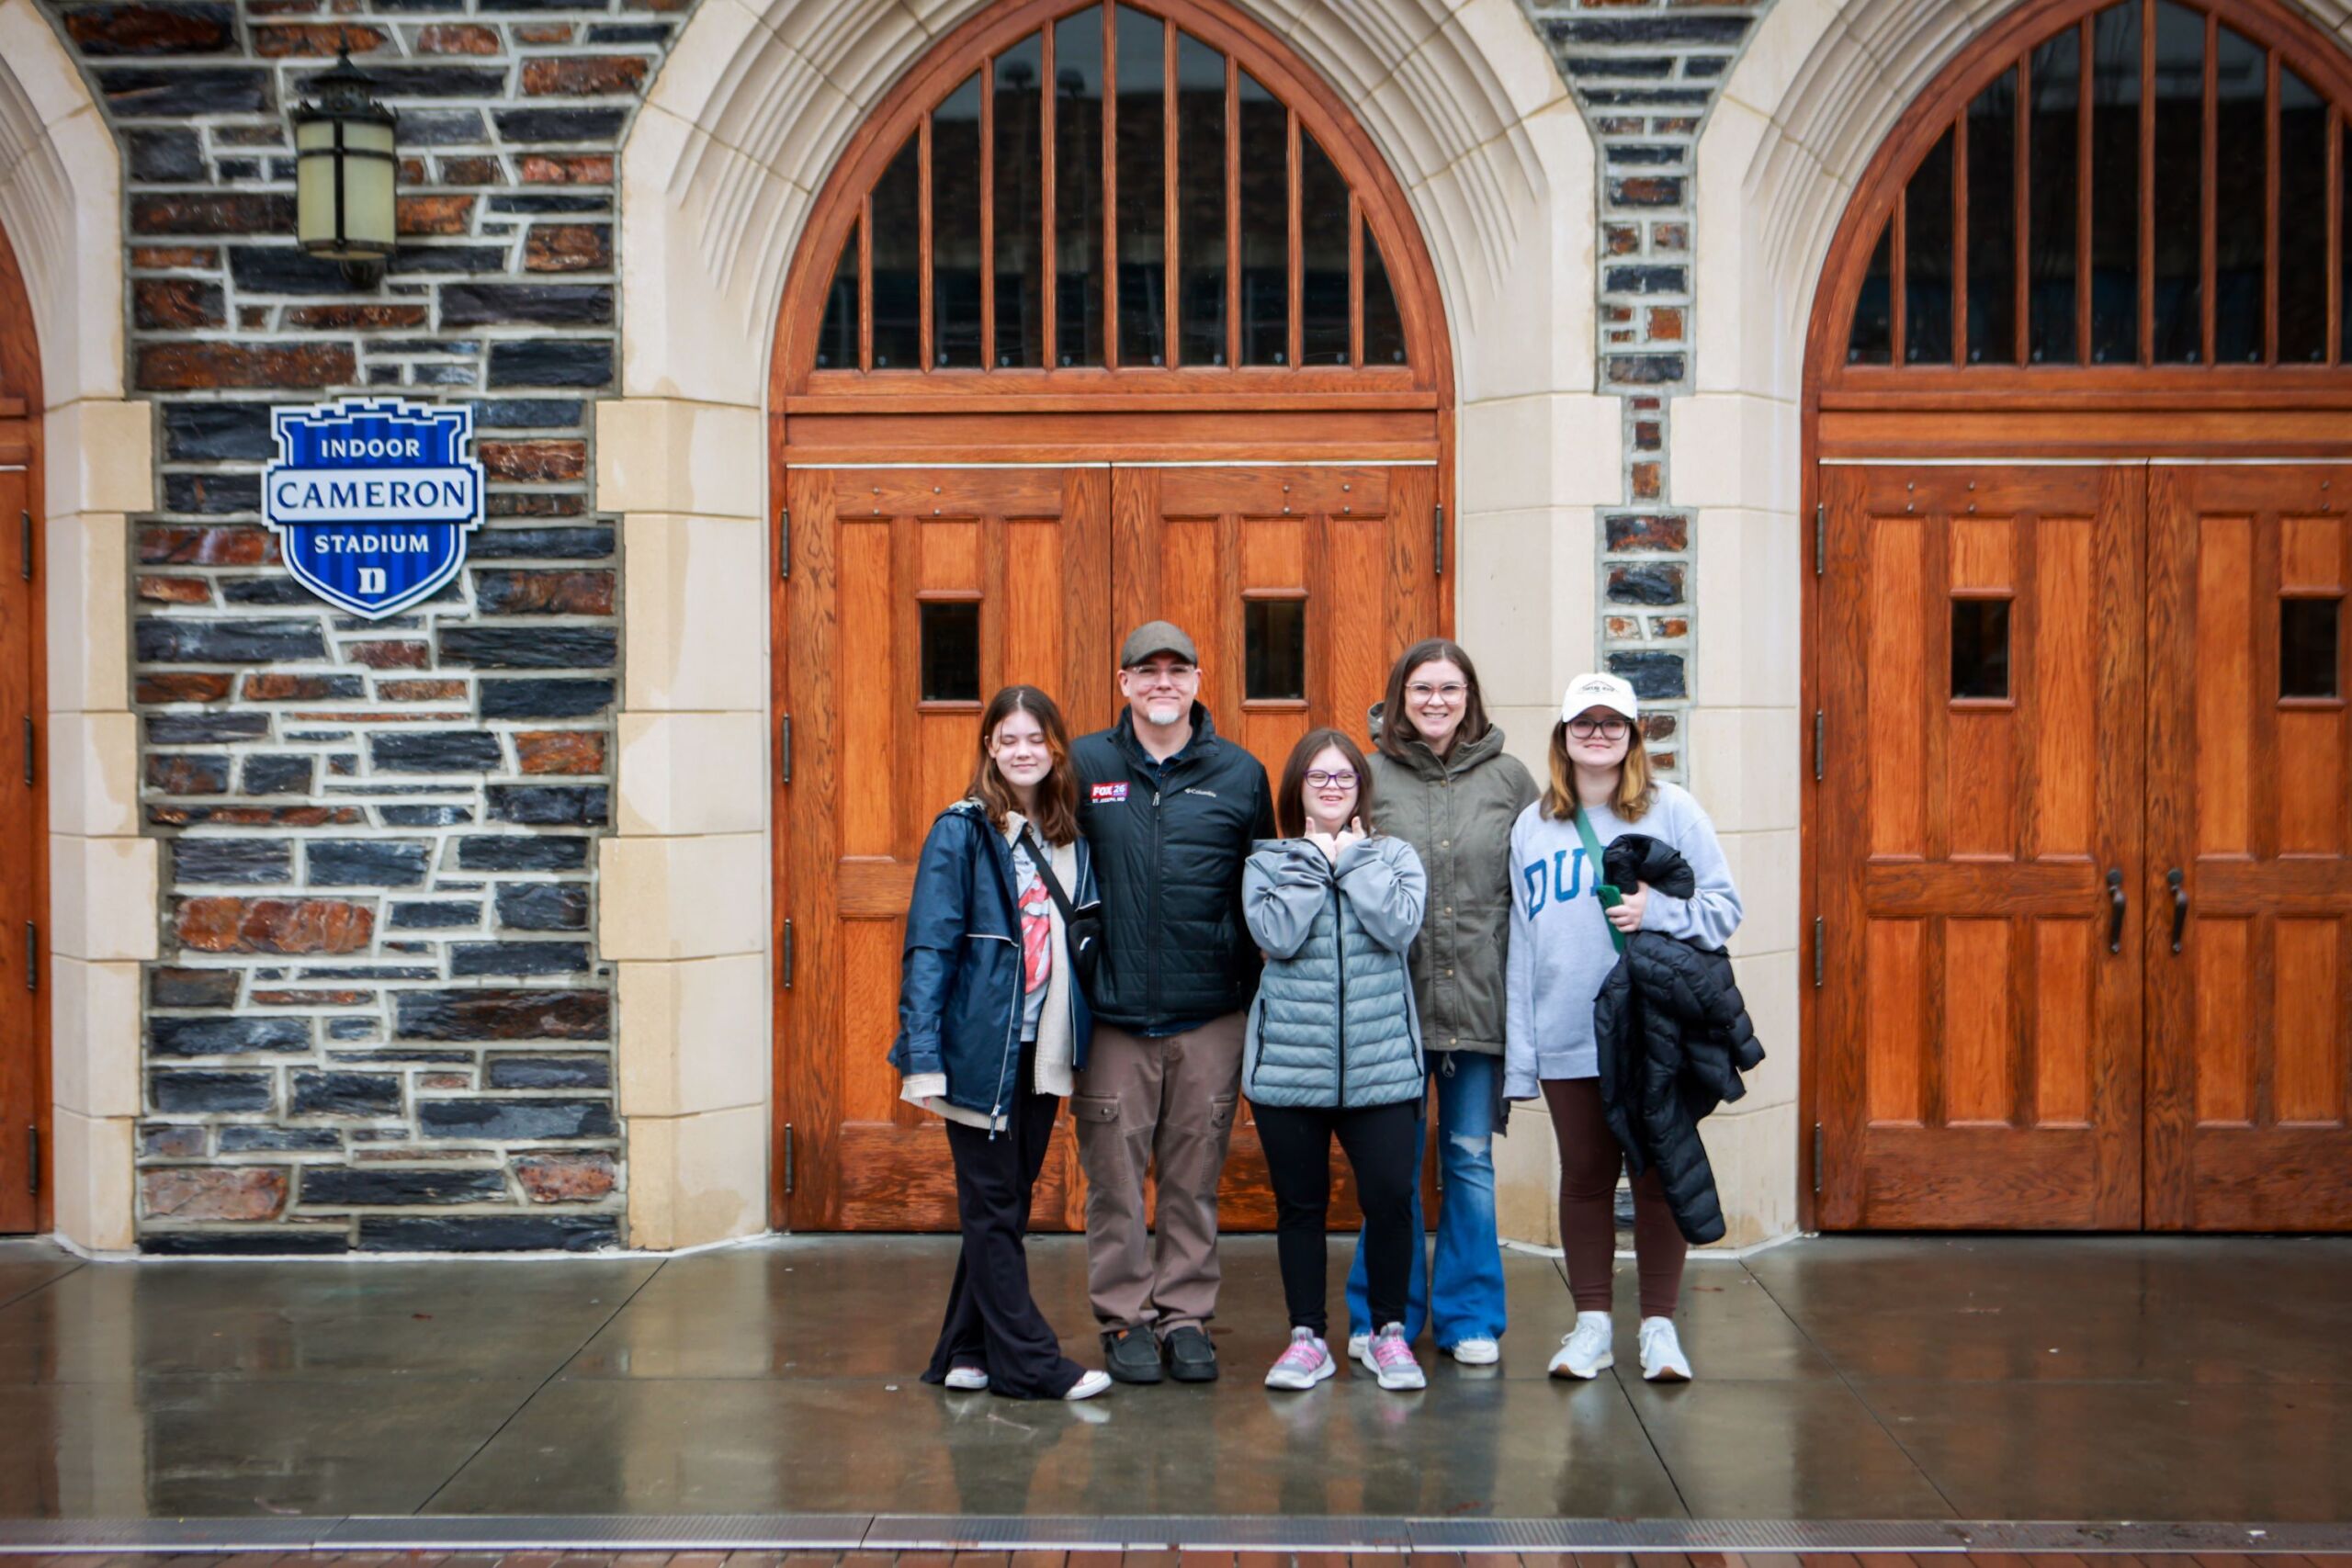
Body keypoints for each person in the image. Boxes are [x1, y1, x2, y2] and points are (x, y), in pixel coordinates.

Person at [1504, 671, 1741, 1383]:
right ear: (1563, 735)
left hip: (1649, 1030)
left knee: (1656, 1174)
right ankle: (1593, 1326)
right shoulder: (1532, 825)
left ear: (1634, 735)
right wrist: (1521, 1056)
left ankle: (1659, 1328)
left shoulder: (1673, 811)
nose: (1598, 734)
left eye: (1613, 723)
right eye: (1584, 722)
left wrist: (1655, 911)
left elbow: (1724, 908)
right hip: (1567, 1030)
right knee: (1584, 1176)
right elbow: (1521, 944)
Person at [889, 685, 1114, 1403]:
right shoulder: (960, 830)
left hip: (1042, 1049)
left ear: (1056, 746)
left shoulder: (1068, 834)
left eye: (1035, 738)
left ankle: (965, 1349)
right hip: (980, 1050)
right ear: (989, 747)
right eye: (1008, 739)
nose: (1023, 751)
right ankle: (1029, 1363)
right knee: (991, 1205)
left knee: (1005, 1204)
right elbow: (930, 945)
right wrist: (923, 1053)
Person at [1070, 621, 1275, 1385]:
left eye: (1177, 669)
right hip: (1113, 1015)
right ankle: (1124, 1315)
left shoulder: (1240, 774)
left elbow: (1260, 892)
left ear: (1196, 680)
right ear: (1124, 682)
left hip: (1208, 1012)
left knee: (1193, 1178)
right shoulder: (1085, 764)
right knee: (1114, 1182)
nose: (1163, 681)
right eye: (1147, 669)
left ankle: (1186, 1314)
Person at [1343, 639, 1537, 1370]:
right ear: (1400, 696)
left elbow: (1532, 888)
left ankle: (1470, 1316)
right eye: (1421, 687)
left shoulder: (1510, 780)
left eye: (1450, 688)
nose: (1435, 700)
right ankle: (1381, 1311)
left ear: (1470, 697)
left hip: (1479, 1006)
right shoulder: (1370, 776)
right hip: (1390, 1007)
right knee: (1390, 1171)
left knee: (1469, 1161)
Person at [1244, 728, 1430, 1393]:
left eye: (1344, 777)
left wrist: (1352, 863)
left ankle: (1387, 1333)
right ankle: (1307, 1339)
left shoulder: (1394, 855)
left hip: (1383, 1069)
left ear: (1361, 788)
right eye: (1317, 777)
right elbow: (1276, 935)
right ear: (1297, 787)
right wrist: (1312, 863)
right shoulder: (1268, 861)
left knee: (1390, 1199)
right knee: (1300, 1206)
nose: (1331, 787)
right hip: (1289, 1071)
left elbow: (1399, 927)